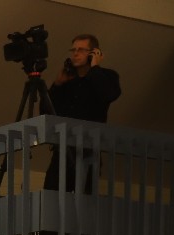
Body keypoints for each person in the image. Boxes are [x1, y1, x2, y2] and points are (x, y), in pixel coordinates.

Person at [44, 33, 122, 193]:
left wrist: (95, 67)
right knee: (51, 196)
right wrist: (57, 85)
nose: (75, 53)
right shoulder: (68, 80)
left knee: (84, 199)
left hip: (88, 150)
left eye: (81, 50)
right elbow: (46, 111)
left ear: (94, 53)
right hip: (62, 150)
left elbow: (109, 94)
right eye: (73, 50)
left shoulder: (107, 76)